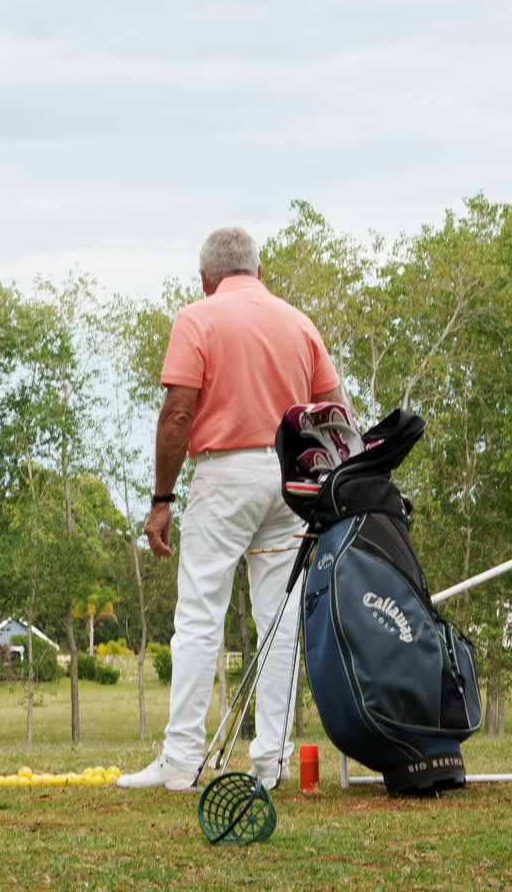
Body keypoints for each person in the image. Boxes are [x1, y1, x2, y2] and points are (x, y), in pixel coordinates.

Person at [117, 227, 350, 792]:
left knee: (199, 616)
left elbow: (178, 413)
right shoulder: (298, 322)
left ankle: (181, 761)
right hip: (291, 479)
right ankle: (270, 762)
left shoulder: (197, 318)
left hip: (225, 475)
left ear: (206, 278)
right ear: (260, 271)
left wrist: (162, 499)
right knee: (278, 621)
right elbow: (336, 408)